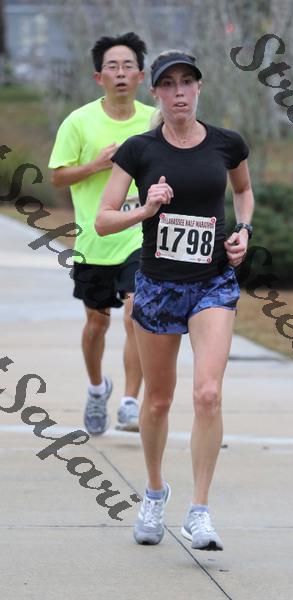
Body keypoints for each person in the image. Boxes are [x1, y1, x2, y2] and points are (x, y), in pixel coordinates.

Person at [95, 50, 254, 551]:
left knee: (207, 394)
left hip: (213, 283)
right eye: (169, 84)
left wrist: (244, 231)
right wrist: (145, 209)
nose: (179, 92)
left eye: (187, 82)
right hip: (158, 287)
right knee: (158, 401)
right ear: (156, 93)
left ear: (199, 88)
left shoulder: (227, 143)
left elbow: (243, 192)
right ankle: (154, 491)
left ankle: (200, 511)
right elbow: (103, 220)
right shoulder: (138, 150)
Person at [49, 32, 154, 435]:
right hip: (95, 239)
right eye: (113, 66)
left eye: (129, 66)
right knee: (97, 324)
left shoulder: (155, 121)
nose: (121, 73)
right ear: (99, 77)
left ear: (141, 76)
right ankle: (97, 389)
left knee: (136, 313)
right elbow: (58, 177)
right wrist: (95, 165)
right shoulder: (79, 121)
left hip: (140, 236)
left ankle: (130, 403)